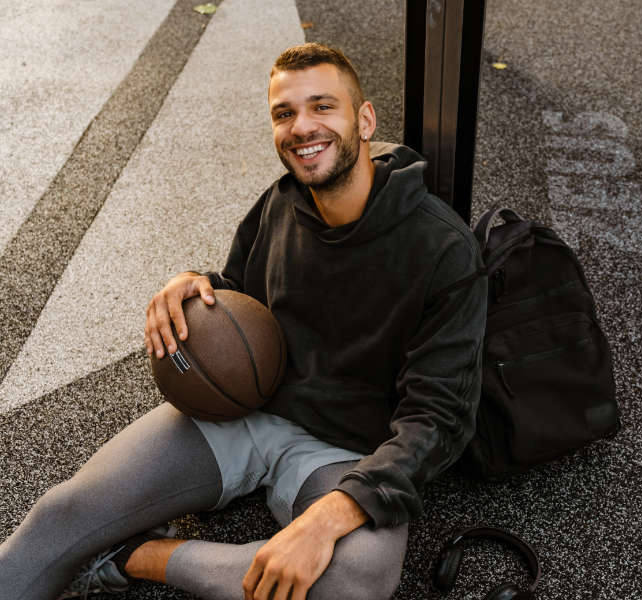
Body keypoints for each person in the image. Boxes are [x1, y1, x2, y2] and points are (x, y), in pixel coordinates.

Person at [0, 42, 487, 600]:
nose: (302, 127)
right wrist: (193, 284)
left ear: (365, 119)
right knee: (64, 513)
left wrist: (335, 513)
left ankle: (138, 556)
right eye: (285, 113)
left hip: (348, 454)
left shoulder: (444, 249)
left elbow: (440, 418)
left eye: (322, 106)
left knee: (357, 580)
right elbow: (242, 293)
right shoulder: (282, 202)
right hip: (244, 411)